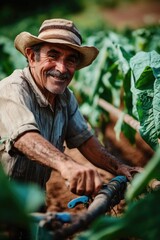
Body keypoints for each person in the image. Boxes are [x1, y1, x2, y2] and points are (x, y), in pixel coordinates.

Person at [0, 18, 142, 199]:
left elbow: (84, 140)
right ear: (31, 56)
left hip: (31, 203)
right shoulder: (11, 89)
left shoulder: (65, 97)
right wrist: (68, 165)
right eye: (52, 55)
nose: (61, 68)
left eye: (71, 60)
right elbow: (24, 137)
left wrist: (119, 167)